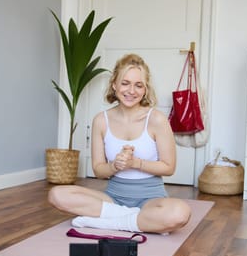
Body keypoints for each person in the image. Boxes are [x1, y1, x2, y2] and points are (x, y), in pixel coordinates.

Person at [48, 53, 191, 234]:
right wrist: (115, 165)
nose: (131, 91)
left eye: (138, 85)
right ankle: (134, 219)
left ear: (145, 89)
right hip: (112, 198)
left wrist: (135, 163)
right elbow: (99, 170)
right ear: (114, 84)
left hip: (150, 200)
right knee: (57, 195)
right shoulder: (101, 120)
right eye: (125, 83)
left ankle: (112, 222)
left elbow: (169, 167)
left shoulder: (156, 120)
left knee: (179, 213)